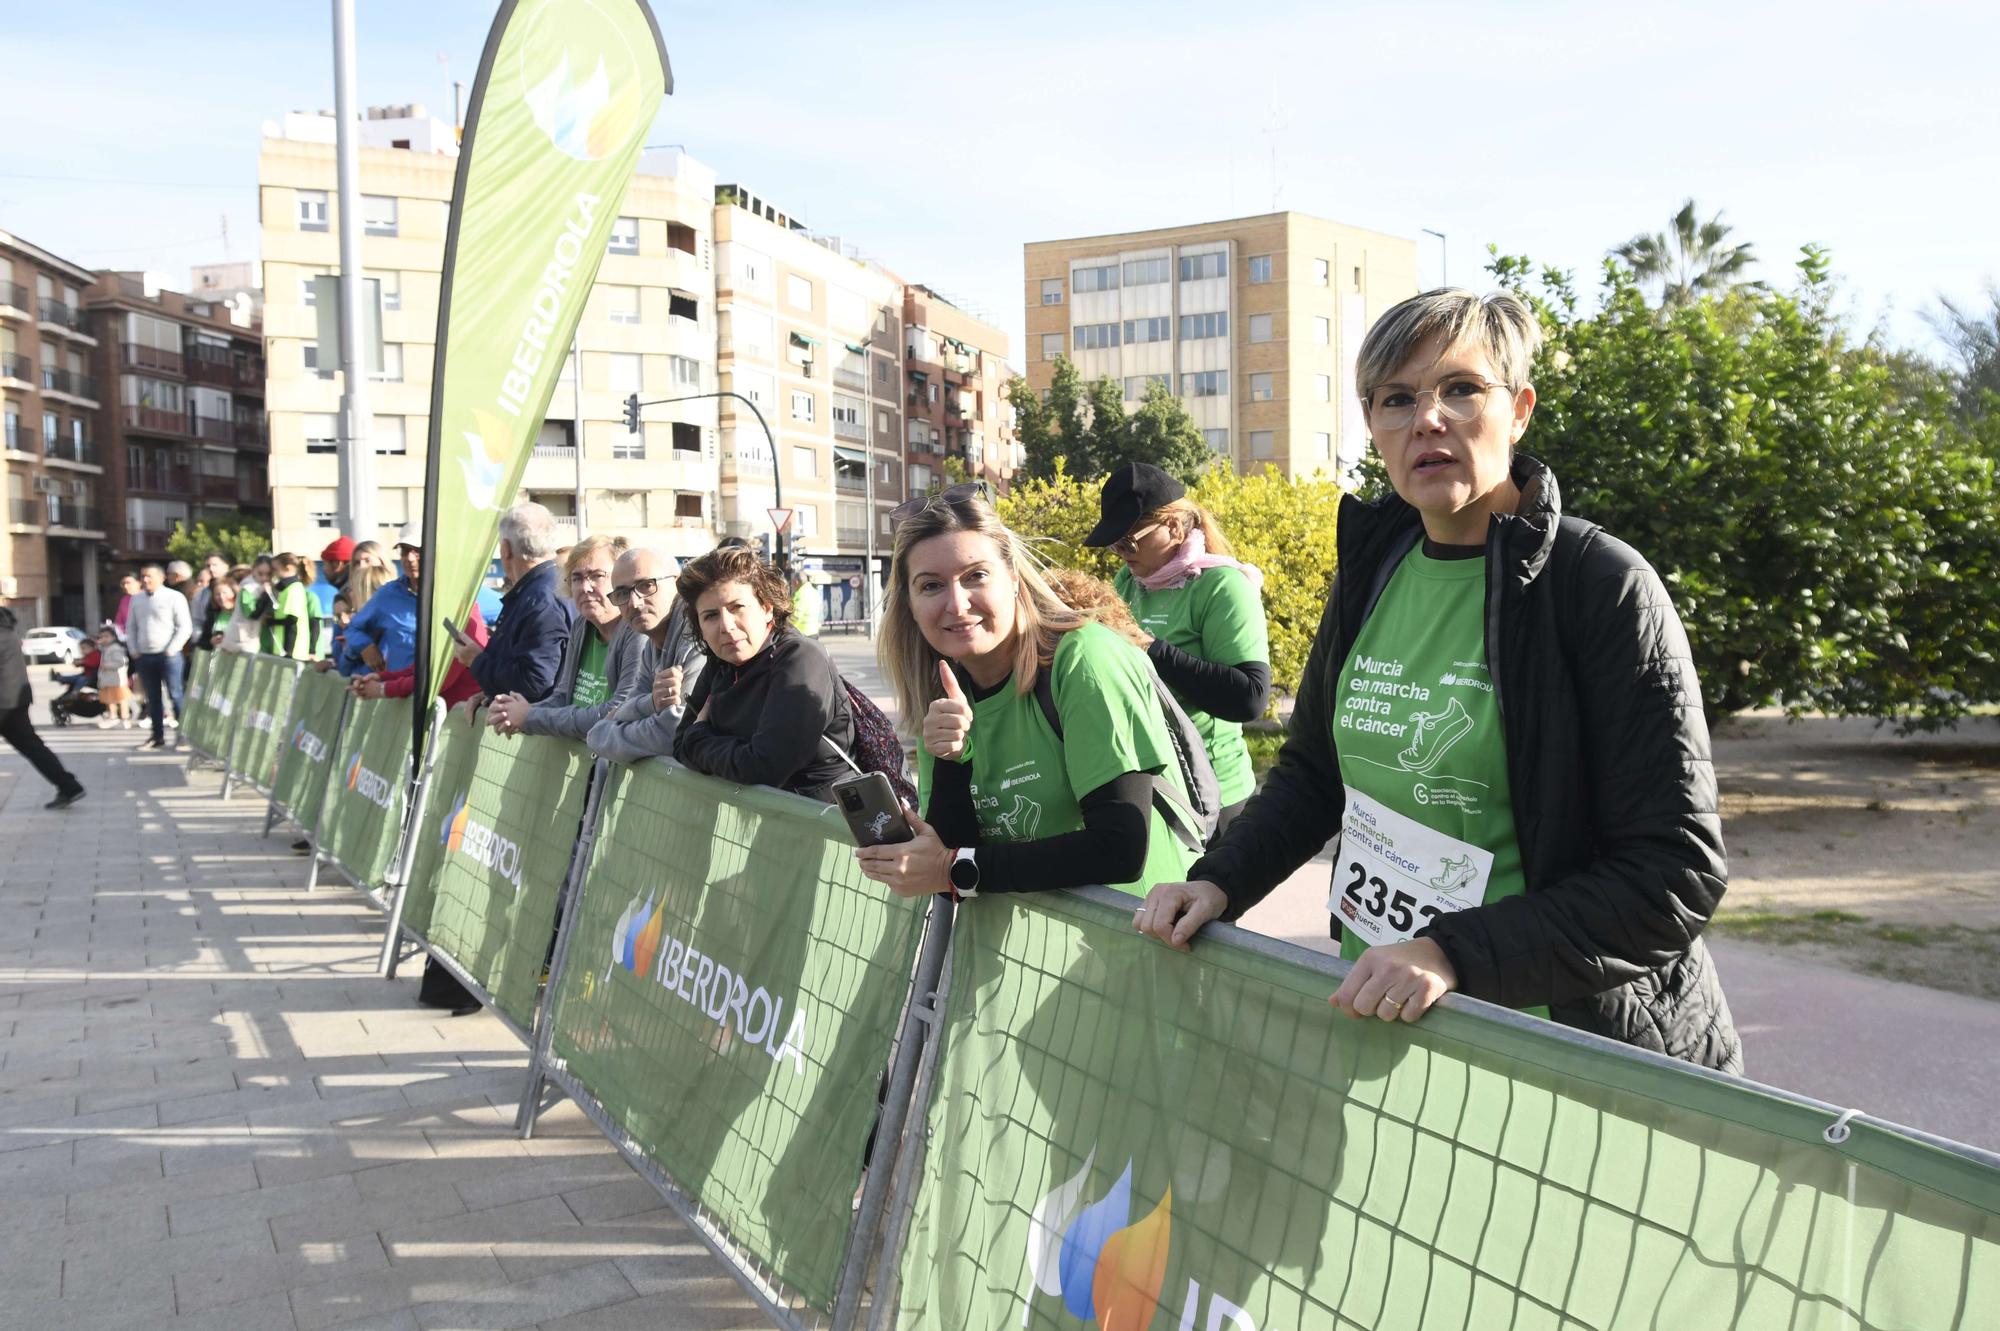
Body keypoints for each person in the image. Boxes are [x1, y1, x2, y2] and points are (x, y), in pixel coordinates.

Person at [1135, 289, 1739, 1071]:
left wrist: (1452, 952)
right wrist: (1219, 881)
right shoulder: (1373, 570)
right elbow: (1316, 773)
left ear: (1519, 410)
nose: (1428, 419)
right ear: (1375, 429)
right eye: (1396, 399)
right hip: (1383, 1022)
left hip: (1555, 1047)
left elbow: (1674, 874)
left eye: (1461, 389)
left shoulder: (1600, 586)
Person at [854, 489, 1198, 902]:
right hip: (1034, 960)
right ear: (909, 603)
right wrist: (950, 762)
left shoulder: (1084, 660)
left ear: (1013, 579)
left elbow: (1120, 849)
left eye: (975, 576)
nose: (957, 604)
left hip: (1133, 946)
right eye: (930, 586)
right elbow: (952, 878)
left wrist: (951, 868)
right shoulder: (944, 697)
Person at [1084, 462, 1271, 836]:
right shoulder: (1131, 580)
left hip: (1213, 794)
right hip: (1158, 785)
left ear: (1173, 526)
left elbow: (1249, 698)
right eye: (1114, 545)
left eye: (1130, 542)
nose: (1122, 554)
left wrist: (1152, 649)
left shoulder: (1222, 586)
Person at [670, 546, 853, 800]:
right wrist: (716, 748)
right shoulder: (718, 664)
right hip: (764, 828)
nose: (726, 626)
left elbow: (766, 766)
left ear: (766, 607)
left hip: (828, 825)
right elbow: (679, 746)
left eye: (737, 607)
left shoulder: (800, 658)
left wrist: (699, 737)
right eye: (710, 616)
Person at [489, 535, 640, 741]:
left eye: (596, 576)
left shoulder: (637, 632)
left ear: (621, 580)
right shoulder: (581, 625)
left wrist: (529, 716)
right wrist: (506, 711)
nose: (585, 587)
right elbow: (561, 697)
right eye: (576, 578)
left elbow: (618, 712)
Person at [585, 548, 704, 762]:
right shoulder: (652, 644)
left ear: (677, 583)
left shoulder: (696, 633)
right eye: (622, 593)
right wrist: (651, 704)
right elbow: (627, 709)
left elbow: (675, 732)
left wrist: (603, 733)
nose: (634, 603)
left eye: (646, 585)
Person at [457, 502, 575, 704]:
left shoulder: (540, 598)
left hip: (540, 726)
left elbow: (535, 682)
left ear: (505, 549)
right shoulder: (546, 587)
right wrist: (489, 695)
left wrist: (477, 661)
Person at [0, 607, 84, 808]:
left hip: (5, 702)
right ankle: (69, 786)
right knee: (33, 747)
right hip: (15, 700)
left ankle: (68, 786)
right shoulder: (6, 631)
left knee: (32, 747)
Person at [127, 563, 192, 749]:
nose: (146, 580)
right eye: (143, 576)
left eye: (150, 576)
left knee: (176, 694)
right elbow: (131, 627)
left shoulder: (174, 597)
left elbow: (184, 626)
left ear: (162, 578)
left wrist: (173, 648)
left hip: (168, 655)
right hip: (144, 655)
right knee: (153, 698)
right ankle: (157, 736)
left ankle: (183, 735)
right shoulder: (136, 599)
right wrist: (133, 649)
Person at [344, 526, 423, 674]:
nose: (410, 558)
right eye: (404, 551)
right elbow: (353, 628)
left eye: (417, 550)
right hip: (400, 690)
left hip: (446, 690)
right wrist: (365, 646)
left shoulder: (453, 592)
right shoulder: (388, 594)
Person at [329, 558, 394, 674]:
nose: (349, 594)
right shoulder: (360, 626)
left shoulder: (389, 628)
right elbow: (343, 669)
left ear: (367, 592)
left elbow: (373, 671)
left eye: (353, 589)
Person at [257, 553, 320, 660]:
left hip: (292, 651)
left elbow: (292, 620)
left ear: (288, 568)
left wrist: (288, 651)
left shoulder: (294, 589)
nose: (274, 574)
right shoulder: (285, 589)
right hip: (281, 648)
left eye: (276, 569)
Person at [94, 627, 133, 729]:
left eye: (107, 636)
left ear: (114, 637)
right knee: (109, 700)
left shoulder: (116, 648)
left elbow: (121, 662)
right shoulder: (105, 648)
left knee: (121, 699)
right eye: (102, 637)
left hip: (116, 680)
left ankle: (125, 718)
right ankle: (113, 716)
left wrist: (107, 665)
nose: (104, 639)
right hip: (108, 680)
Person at [210, 576, 260, 653]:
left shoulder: (241, 614)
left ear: (234, 593)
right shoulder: (214, 614)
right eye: (217, 594)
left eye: (224, 593)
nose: (221, 597)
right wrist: (212, 640)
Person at [113, 572, 139, 636]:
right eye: (123, 584)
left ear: (139, 583)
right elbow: (118, 621)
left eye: (128, 583)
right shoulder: (124, 600)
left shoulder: (147, 597)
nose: (125, 586)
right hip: (127, 636)